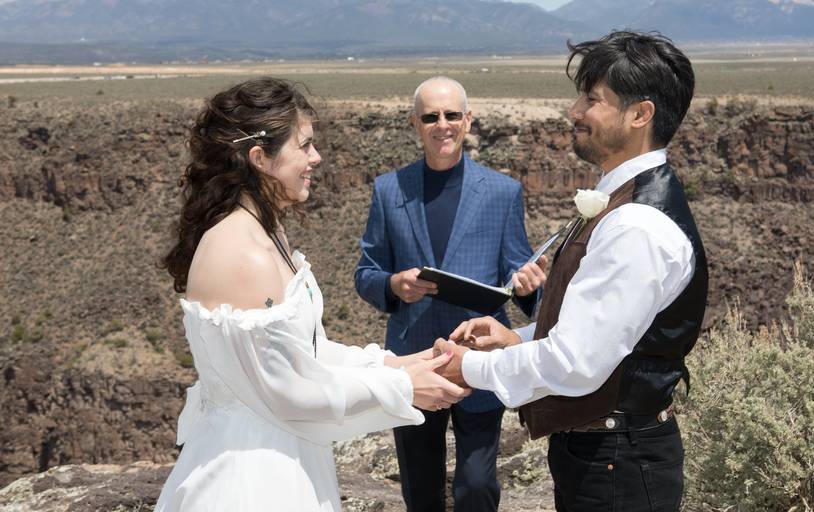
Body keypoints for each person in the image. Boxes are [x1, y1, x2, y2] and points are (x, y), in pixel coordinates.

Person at [154, 77, 467, 512]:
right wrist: (400, 386)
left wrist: (400, 362)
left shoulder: (265, 232)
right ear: (260, 158)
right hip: (253, 479)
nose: (316, 158)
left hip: (283, 453)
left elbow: (302, 353)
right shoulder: (246, 252)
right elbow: (289, 394)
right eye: (304, 146)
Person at [436, 31, 709, 512]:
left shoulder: (636, 225)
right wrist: (517, 338)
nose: (575, 111)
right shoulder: (628, 203)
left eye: (592, 99)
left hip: (618, 464)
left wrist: (471, 368)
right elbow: (601, 329)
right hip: (607, 455)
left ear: (640, 114)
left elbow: (577, 364)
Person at [354, 76, 546, 512]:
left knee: (476, 487)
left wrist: (531, 290)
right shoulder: (389, 190)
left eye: (451, 115)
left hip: (479, 358)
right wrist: (392, 285)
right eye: (430, 117)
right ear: (415, 124)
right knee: (420, 490)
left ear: (468, 120)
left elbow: (517, 273)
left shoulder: (502, 192)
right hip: (415, 359)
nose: (442, 124)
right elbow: (366, 272)